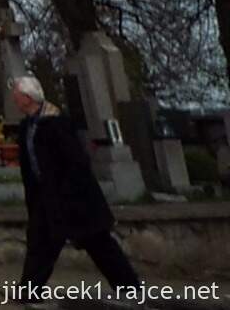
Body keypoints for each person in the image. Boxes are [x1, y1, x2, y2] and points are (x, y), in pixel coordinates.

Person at [10, 74, 142, 290]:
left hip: (74, 197)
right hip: (46, 196)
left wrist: (68, 192)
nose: (14, 99)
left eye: (16, 94)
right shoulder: (27, 127)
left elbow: (75, 162)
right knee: (41, 243)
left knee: (98, 242)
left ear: (27, 97)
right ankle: (29, 289)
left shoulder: (56, 123)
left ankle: (129, 286)